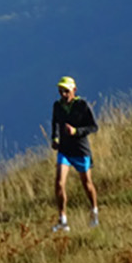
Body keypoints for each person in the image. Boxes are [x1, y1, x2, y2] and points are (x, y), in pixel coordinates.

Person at [50, 75, 98, 232]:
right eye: (60, 91)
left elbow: (93, 127)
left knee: (87, 183)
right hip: (64, 150)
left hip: (81, 150)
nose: (63, 95)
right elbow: (55, 123)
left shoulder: (82, 105)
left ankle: (94, 213)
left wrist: (76, 131)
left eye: (66, 91)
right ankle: (62, 220)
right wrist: (55, 138)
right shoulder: (57, 106)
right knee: (59, 182)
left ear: (74, 90)